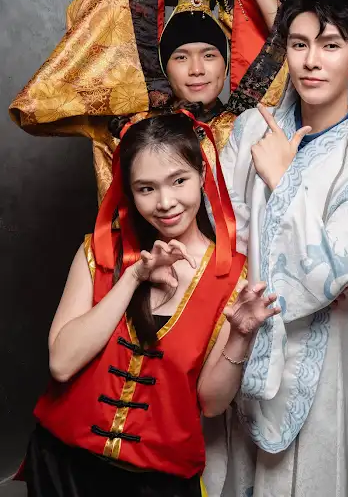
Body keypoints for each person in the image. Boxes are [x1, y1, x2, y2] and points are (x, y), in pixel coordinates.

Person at [203, 0, 348, 497]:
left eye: (330, 46)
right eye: (299, 44)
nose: (312, 61)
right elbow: (224, 236)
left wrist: (283, 180)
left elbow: (329, 280)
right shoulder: (251, 128)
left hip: (313, 362)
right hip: (230, 342)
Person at [18, 112, 278, 497]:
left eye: (178, 181)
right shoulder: (99, 252)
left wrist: (241, 335)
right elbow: (62, 363)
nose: (165, 202)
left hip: (156, 483)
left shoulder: (231, 277)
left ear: (202, 175)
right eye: (146, 188)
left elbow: (211, 403)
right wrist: (133, 278)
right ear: (129, 191)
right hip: (62, 467)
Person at [9, 0, 287, 203]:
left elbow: (290, 46)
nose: (197, 70)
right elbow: (43, 102)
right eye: (181, 57)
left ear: (225, 66)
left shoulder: (245, 126)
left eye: (209, 55)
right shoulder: (131, 126)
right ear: (162, 66)